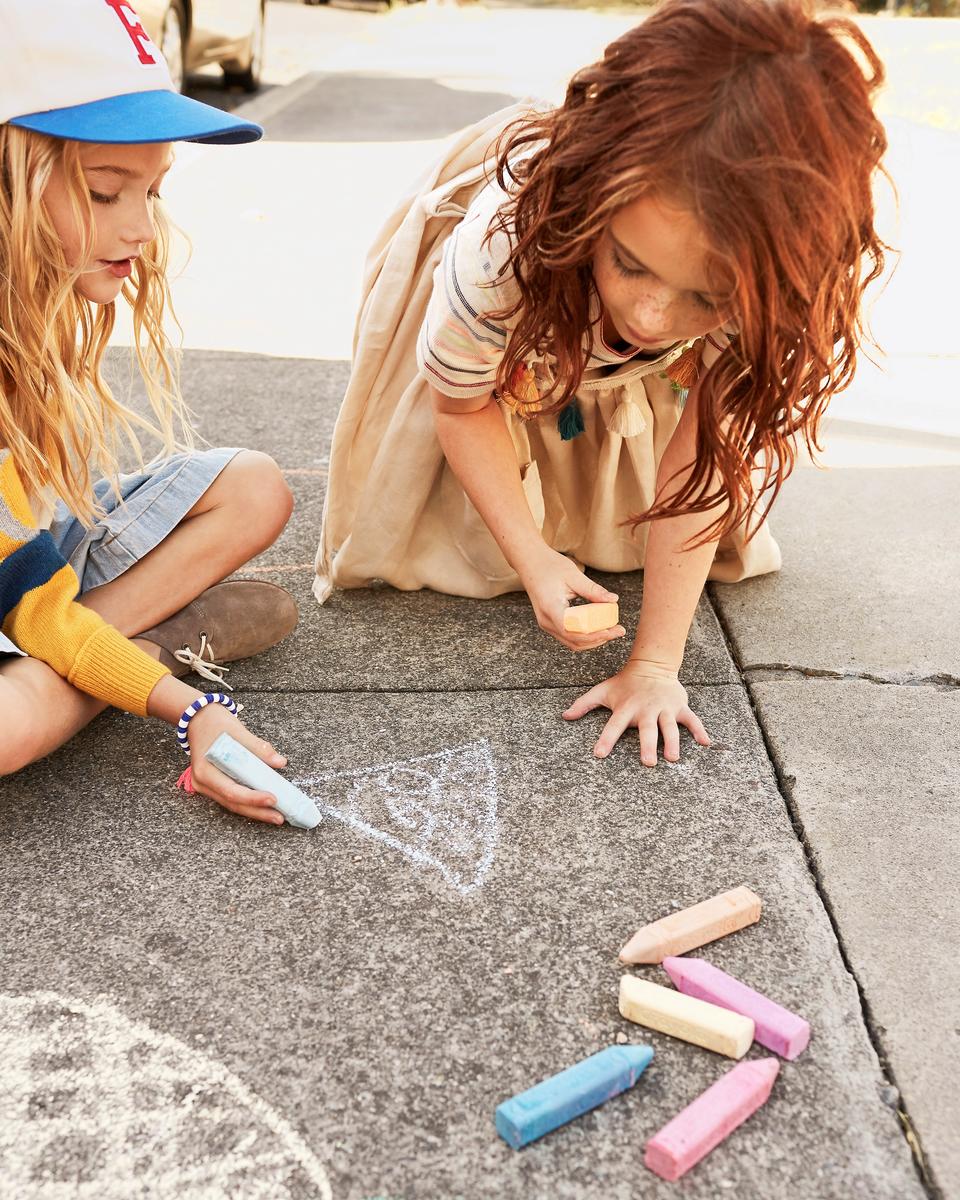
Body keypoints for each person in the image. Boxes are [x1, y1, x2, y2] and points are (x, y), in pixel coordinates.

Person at [315, 0, 887, 765]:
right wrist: (530, 553)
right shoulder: (502, 242)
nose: (650, 316)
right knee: (454, 520)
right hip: (523, 311)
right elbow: (462, 402)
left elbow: (704, 449)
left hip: (605, 327)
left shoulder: (776, 275)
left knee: (643, 447)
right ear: (597, 199)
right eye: (632, 264)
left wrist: (655, 664)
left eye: (705, 297)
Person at [0, 0, 298, 823]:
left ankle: (102, 656)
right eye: (104, 192)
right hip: (21, 593)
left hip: (27, 558)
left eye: (154, 190)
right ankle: (142, 648)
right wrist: (185, 707)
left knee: (255, 486)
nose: (140, 229)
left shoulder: (37, 290)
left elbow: (27, 560)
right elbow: (32, 605)